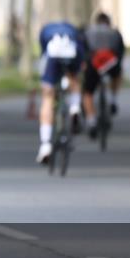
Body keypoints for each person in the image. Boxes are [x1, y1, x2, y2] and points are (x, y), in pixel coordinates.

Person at [36, 20, 86, 164]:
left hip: (53, 54)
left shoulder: (45, 31)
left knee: (48, 97)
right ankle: (75, 108)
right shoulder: (73, 30)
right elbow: (81, 50)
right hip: (72, 51)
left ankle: (45, 145)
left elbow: (43, 54)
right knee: (74, 80)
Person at [82, 12, 126, 138]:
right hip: (111, 62)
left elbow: (84, 50)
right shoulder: (115, 32)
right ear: (108, 22)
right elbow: (121, 51)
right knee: (118, 75)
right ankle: (113, 99)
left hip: (94, 64)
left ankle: (91, 121)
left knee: (88, 93)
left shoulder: (88, 31)